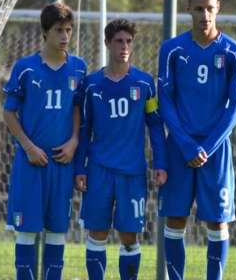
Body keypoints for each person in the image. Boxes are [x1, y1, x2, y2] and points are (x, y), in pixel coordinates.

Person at [157, 0, 236, 280]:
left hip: (215, 149)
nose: (205, 15)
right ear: (188, 10)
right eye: (199, 9)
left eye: (210, 8)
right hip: (179, 148)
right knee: (175, 219)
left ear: (218, 8)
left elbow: (235, 106)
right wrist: (185, 144)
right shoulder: (171, 50)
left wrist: (206, 147)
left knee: (217, 222)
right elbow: (165, 102)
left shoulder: (235, 52)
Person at [74, 19, 167, 280]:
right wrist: (80, 167)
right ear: (107, 43)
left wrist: (161, 163)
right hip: (99, 170)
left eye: (128, 41)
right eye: (118, 41)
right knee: (97, 232)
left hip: (132, 173)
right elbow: (83, 128)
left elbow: (156, 126)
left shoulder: (145, 83)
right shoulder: (92, 85)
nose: (124, 46)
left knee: (129, 236)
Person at [2, 2, 87, 280]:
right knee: (26, 232)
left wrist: (74, 140)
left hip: (62, 164)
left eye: (69, 30)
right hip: (30, 163)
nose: (65, 36)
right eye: (59, 31)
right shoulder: (25, 68)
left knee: (57, 233)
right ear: (45, 33)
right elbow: (9, 112)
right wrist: (28, 147)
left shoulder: (78, 68)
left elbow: (77, 107)